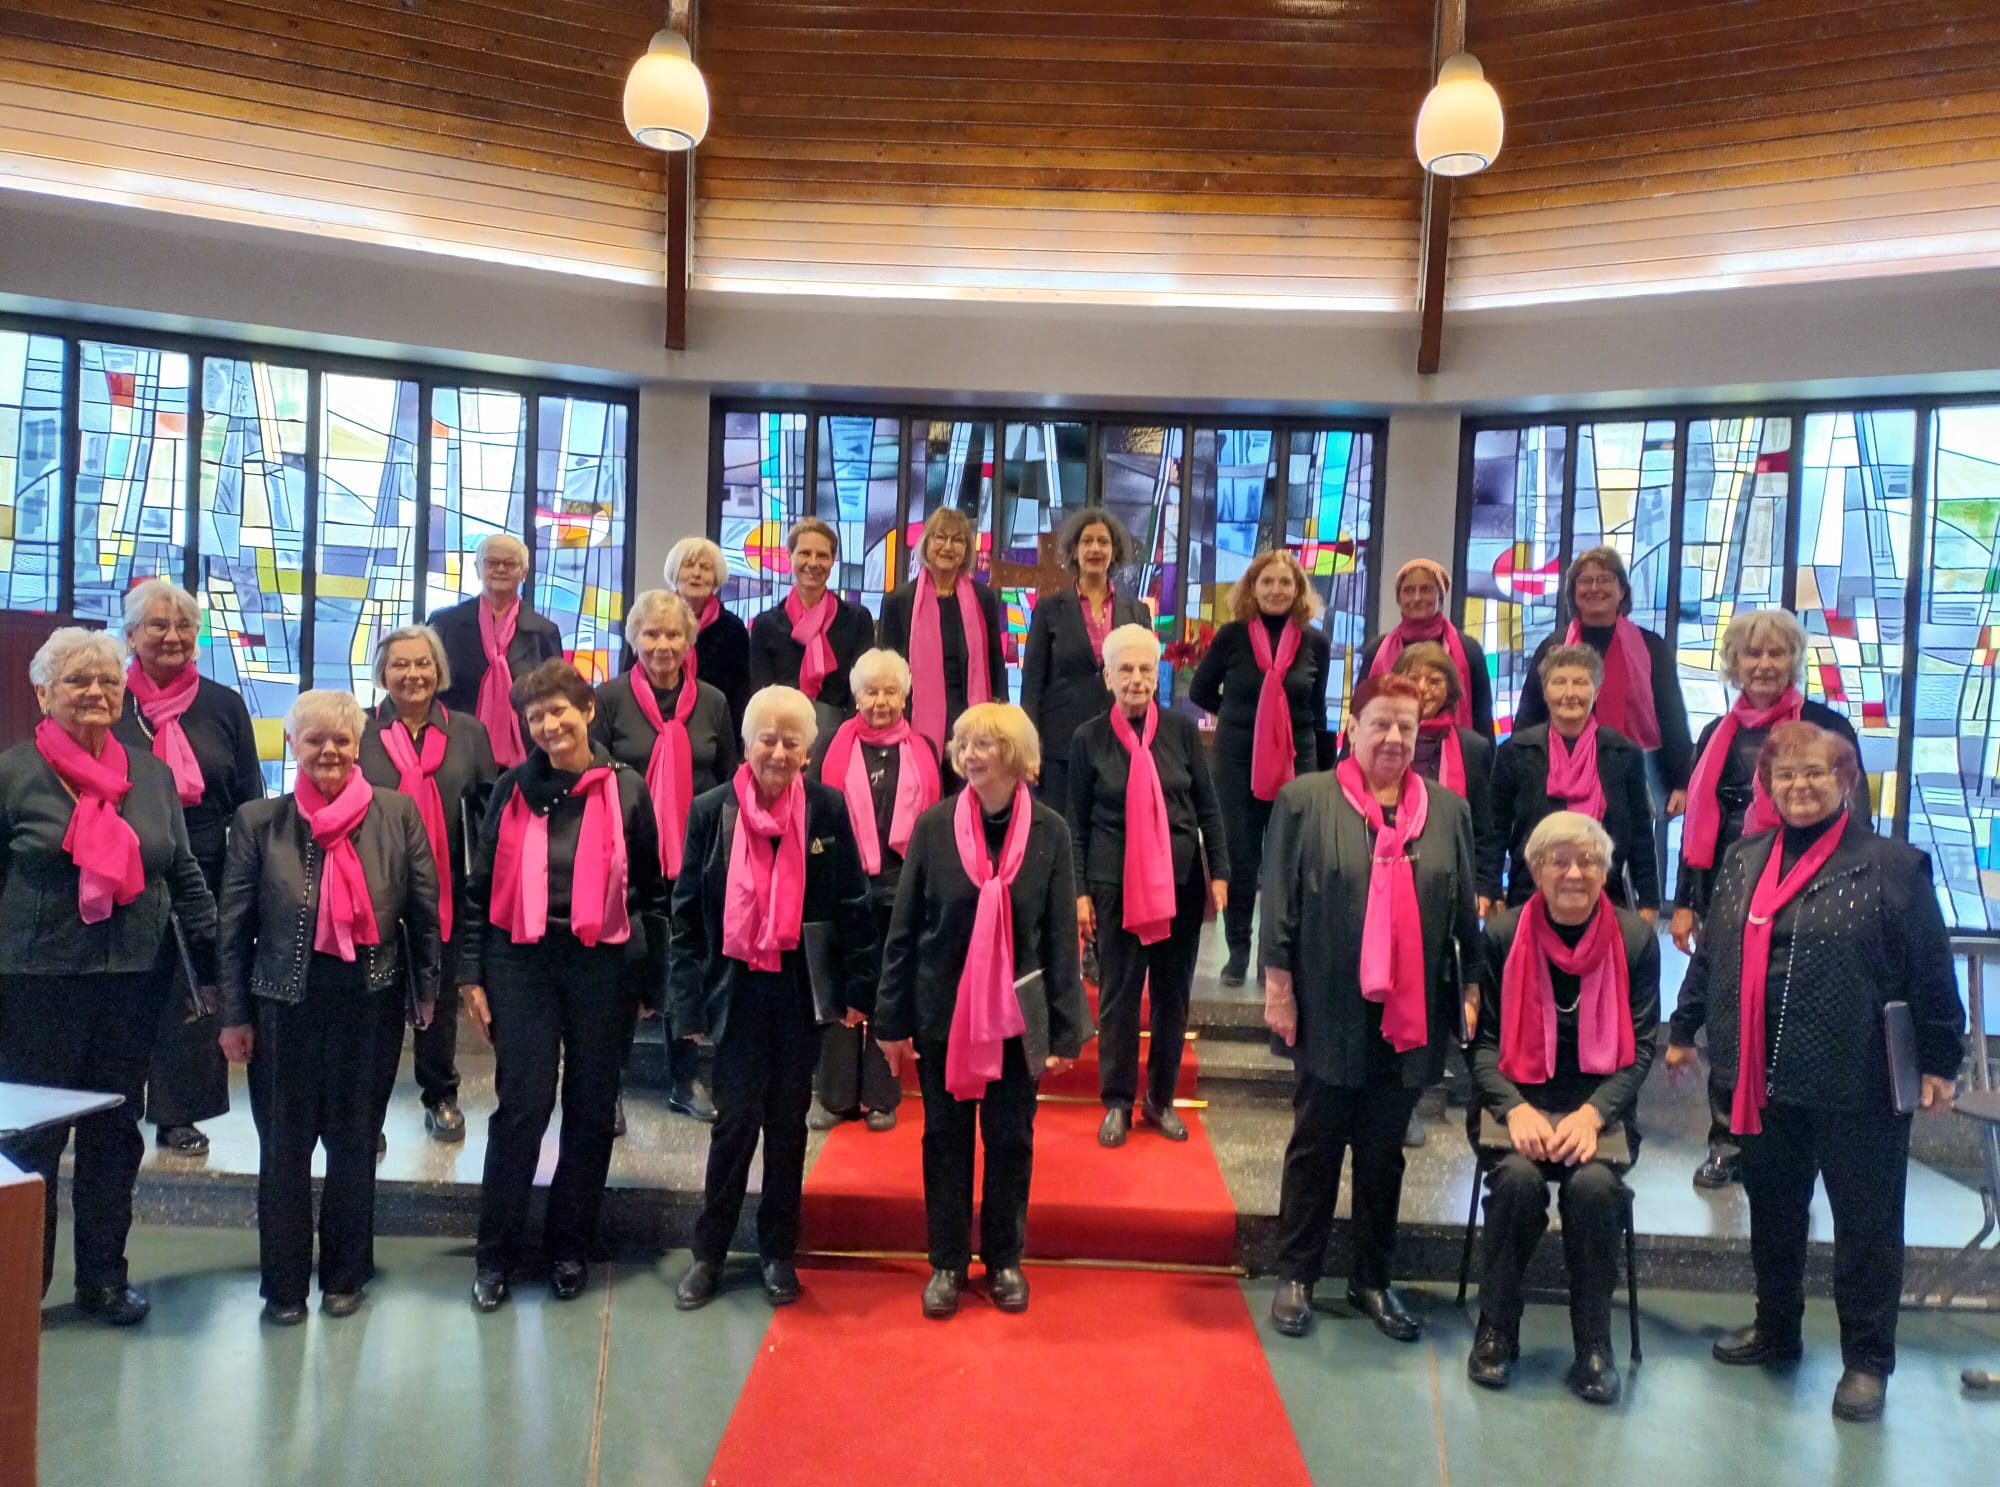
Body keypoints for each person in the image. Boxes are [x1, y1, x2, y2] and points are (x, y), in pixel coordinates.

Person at [1667, 722, 1963, 1424]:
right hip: (1758, 1075)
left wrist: (1942, 1062)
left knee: (1865, 1224)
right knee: (1774, 1212)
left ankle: (1867, 1360)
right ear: (1768, 785)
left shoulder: (1892, 864)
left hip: (1855, 1077)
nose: (1799, 786)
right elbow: (1713, 952)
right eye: (1786, 775)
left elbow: (1931, 970)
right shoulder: (1743, 858)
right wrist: (1682, 1027)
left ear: (1846, 782)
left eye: (1815, 774)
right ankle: (1778, 1330)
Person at [0, 627, 217, 1324]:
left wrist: (213, 964)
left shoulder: (148, 772)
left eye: (106, 682)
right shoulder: (13, 775)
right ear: (43, 693)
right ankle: (16, 1291)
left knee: (115, 1131)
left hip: (133, 980)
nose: (95, 693)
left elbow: (181, 870)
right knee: (33, 1139)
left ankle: (103, 1279)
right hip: (37, 984)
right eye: (76, 681)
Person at [1261, 675, 1481, 1343]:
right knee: (1316, 1144)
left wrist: (1469, 990)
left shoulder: (1446, 810)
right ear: (1350, 728)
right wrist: (1278, 986)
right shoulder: (1306, 799)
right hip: (1327, 1000)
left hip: (1411, 1013)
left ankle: (1371, 1278)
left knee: (1385, 1153)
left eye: (1406, 727)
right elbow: (1278, 898)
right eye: (1380, 723)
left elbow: (1463, 906)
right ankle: (1296, 1272)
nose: (1393, 737)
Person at [217, 689, 440, 1324]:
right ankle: (283, 1286)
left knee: (352, 1144)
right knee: (283, 1149)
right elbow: (233, 927)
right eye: (315, 739)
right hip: (283, 1004)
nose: (330, 751)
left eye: (341, 739)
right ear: (293, 746)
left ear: (358, 745)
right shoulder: (258, 821)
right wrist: (234, 1015)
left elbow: (424, 914)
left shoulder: (397, 814)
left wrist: (427, 992)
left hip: (369, 999)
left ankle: (345, 1273)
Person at [877, 703, 1090, 1319]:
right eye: (964, 744)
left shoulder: (1050, 831)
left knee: (1010, 1140)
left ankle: (1003, 1259)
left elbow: (1058, 938)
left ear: (1017, 757)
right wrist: (891, 1022)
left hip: (1015, 1017)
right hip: (944, 1011)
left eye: (985, 746)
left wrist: (1065, 1028)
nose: (970, 756)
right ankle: (946, 1260)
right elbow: (905, 928)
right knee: (944, 1138)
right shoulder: (934, 826)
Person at [464, 661, 666, 1311]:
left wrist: (649, 980)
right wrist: (471, 973)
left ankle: (569, 1245)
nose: (549, 724)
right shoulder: (511, 790)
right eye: (535, 716)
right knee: (521, 1104)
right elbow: (478, 889)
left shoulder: (627, 790)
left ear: (585, 711)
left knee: (589, 1108)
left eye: (559, 710)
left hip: (601, 964)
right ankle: (495, 1252)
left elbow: (650, 892)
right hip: (521, 961)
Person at [671, 686, 876, 1312]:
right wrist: (689, 1004)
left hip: (798, 991)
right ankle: (709, 1254)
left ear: (808, 751)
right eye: (768, 737)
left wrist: (857, 990)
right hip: (734, 990)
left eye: (793, 741)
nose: (779, 751)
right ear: (747, 742)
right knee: (733, 1128)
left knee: (787, 1128)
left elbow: (853, 906)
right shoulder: (711, 811)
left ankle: (777, 1252)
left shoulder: (828, 810)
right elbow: (685, 918)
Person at [1466, 812, 1659, 1406]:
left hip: (1596, 1113)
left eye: (1589, 861)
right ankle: (1496, 1330)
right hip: (1517, 1102)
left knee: (1594, 1190)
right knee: (1520, 1183)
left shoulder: (1635, 939)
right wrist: (1514, 1108)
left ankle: (1593, 1346)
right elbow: (1481, 1043)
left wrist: (1594, 1114)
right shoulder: (1499, 935)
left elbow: (1642, 1047)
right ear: (1535, 869)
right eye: (1559, 860)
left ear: (1606, 870)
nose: (1574, 873)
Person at [1670, 607, 1863, 1191]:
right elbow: (1698, 829)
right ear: (1733, 664)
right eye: (1752, 654)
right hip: (1729, 897)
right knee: (1728, 1019)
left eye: (1776, 653)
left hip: (1807, 897)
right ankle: (1726, 1143)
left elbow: (1857, 824)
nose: (1763, 664)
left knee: (1785, 1019)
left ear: (1793, 660)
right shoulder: (1715, 735)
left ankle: (1787, 1146)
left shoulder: (1827, 725)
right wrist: (1685, 901)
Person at [114, 578, 263, 1157]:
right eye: (158, 625)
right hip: (126, 863)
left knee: (194, 992)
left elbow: (250, 795)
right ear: (131, 635)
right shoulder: (109, 699)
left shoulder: (223, 704)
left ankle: (176, 1114)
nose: (172, 636)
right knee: (127, 989)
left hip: (207, 864)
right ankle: (115, 1103)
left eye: (184, 626)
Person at [1068, 624, 1228, 1147]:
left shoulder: (1181, 731)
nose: (1136, 680)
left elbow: (1207, 805)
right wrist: (1080, 892)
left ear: (1156, 673)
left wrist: (1221, 872)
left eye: (1144, 669)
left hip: (1178, 883)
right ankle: (1116, 1101)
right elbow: (1076, 822)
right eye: (1125, 670)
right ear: (1108, 676)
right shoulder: (1087, 737)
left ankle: (1159, 1100)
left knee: (1171, 997)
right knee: (1118, 996)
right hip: (1114, 883)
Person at [593, 589, 737, 1126]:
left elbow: (728, 780)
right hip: (625, 859)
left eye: (673, 634)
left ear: (688, 640)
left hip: (695, 861)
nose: (662, 645)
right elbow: (594, 778)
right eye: (651, 634)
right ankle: (609, 1089)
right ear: (634, 639)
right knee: (623, 974)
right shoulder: (607, 700)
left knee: (688, 969)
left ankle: (685, 1077)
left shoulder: (715, 703)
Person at [357, 624, 497, 1144]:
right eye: (400, 665)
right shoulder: (360, 729)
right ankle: (367, 1111)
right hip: (373, 890)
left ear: (438, 671)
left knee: (436, 1002)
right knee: (376, 1006)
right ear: (382, 673)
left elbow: (487, 812)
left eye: (423, 664)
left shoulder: (468, 731)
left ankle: (441, 1096)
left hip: (447, 891)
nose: (413, 674)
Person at [807, 649, 940, 1133]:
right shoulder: (830, 746)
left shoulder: (925, 748)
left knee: (891, 987)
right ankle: (838, 1094)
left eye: (890, 691)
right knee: (841, 990)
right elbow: (815, 815)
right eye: (871, 691)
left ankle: (882, 1095)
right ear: (856, 695)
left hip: (901, 887)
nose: (880, 700)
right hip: (844, 886)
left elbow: (935, 825)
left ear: (904, 694)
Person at [1188, 548, 1331, 988]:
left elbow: (1317, 706)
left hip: (1297, 761)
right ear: (1252, 587)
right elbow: (1200, 690)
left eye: (1285, 583)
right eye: (1267, 582)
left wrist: (1326, 770)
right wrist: (1242, 717)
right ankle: (1238, 953)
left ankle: (1280, 957)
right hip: (1235, 761)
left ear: (1298, 591)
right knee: (1241, 859)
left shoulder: (1316, 643)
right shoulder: (1231, 638)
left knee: (1289, 861)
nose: (1275, 590)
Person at [1515, 546, 1694, 875]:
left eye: (1604, 579)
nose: (1594, 588)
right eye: (1585, 581)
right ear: (1573, 592)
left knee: (1618, 870)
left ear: (1622, 590)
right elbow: (1530, 714)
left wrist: (1682, 781)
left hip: (1628, 778)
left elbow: (1671, 714)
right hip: (1558, 775)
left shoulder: (1650, 646)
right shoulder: (1552, 646)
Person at [1389, 639, 1496, 1150]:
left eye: (1436, 680)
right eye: (1416, 677)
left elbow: (1487, 825)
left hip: (1442, 893)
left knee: (1428, 1001)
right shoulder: (1381, 738)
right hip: (1382, 887)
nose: (1426, 689)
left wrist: (1484, 886)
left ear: (1450, 688)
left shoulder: (1473, 748)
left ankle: (1410, 1103)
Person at [1480, 645, 1659, 920]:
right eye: (1559, 682)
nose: (1569, 694)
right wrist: (1490, 891)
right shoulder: (1516, 752)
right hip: (1528, 897)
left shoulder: (1623, 753)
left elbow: (1641, 834)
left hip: (1605, 897)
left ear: (1596, 691)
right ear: (1545, 691)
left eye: (1580, 683)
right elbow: (1496, 830)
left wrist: (1648, 902)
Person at [1020, 507, 1146, 812]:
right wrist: (1028, 747)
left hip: (1120, 740)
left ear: (1114, 551)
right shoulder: (1049, 609)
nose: (1095, 549)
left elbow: (1145, 679)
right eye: (1087, 541)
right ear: (1074, 551)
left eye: (1103, 542)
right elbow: (1032, 684)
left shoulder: (1137, 612)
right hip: (1060, 747)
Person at [877, 505, 1009, 772]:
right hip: (915, 716)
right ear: (927, 543)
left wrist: (1000, 710)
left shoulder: (984, 598)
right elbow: (886, 668)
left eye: (958, 539)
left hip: (971, 713)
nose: (948, 547)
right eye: (940, 537)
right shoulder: (899, 601)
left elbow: (995, 658)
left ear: (966, 551)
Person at [428, 533, 564, 770]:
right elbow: (429, 689)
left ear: (523, 572)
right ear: (478, 568)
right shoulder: (445, 624)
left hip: (527, 753)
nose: (500, 569)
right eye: (492, 562)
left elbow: (557, 696)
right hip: (454, 748)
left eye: (510, 563)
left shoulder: (543, 631)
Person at [748, 518, 875, 735]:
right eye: (805, 553)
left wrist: (842, 740)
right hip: (781, 733)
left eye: (823, 555)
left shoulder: (857, 619)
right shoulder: (765, 625)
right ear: (790, 556)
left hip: (842, 734)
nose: (813, 563)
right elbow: (761, 695)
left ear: (833, 559)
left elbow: (862, 688)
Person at [1360, 558, 1494, 738]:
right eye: (1408, 590)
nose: (1417, 598)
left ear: (1441, 596)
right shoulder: (1376, 650)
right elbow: (1359, 711)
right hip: (1389, 748)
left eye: (1426, 589)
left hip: (1453, 754)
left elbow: (1483, 720)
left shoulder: (1469, 650)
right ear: (1399, 598)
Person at [664, 535, 752, 734]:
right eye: (688, 565)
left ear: (715, 578)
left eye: (705, 568)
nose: (696, 574)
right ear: (675, 572)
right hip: (657, 722)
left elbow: (741, 694)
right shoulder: (653, 619)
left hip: (715, 729)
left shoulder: (733, 629)